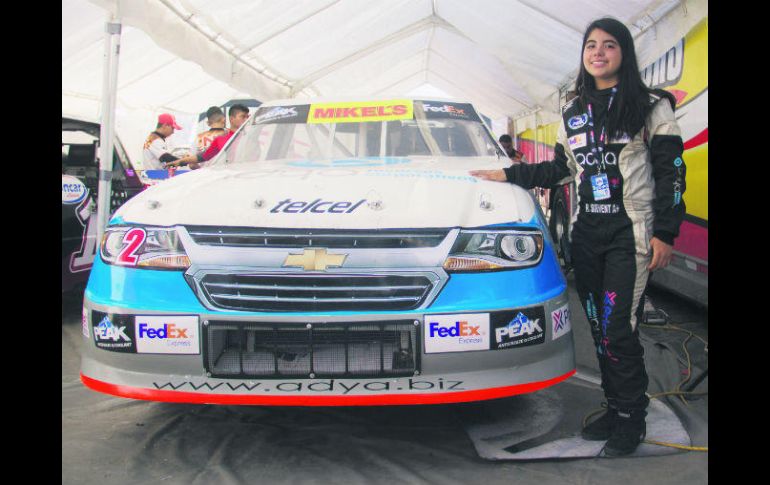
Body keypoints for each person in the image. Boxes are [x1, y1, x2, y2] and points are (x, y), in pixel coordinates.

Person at [471, 17, 686, 456]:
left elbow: (671, 173)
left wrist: (665, 232)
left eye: (609, 45)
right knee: (597, 327)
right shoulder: (573, 109)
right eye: (591, 45)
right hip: (588, 233)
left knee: (617, 329)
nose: (598, 53)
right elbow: (561, 170)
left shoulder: (650, 105)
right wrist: (509, 174)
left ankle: (632, 419)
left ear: (623, 53)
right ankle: (616, 406)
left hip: (632, 234)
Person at [169, 104, 250, 169]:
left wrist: (181, 161)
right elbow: (203, 156)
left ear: (208, 122)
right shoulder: (222, 138)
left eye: (248, 117)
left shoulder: (200, 138)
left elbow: (194, 163)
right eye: (243, 116)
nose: (246, 119)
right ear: (228, 119)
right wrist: (181, 161)